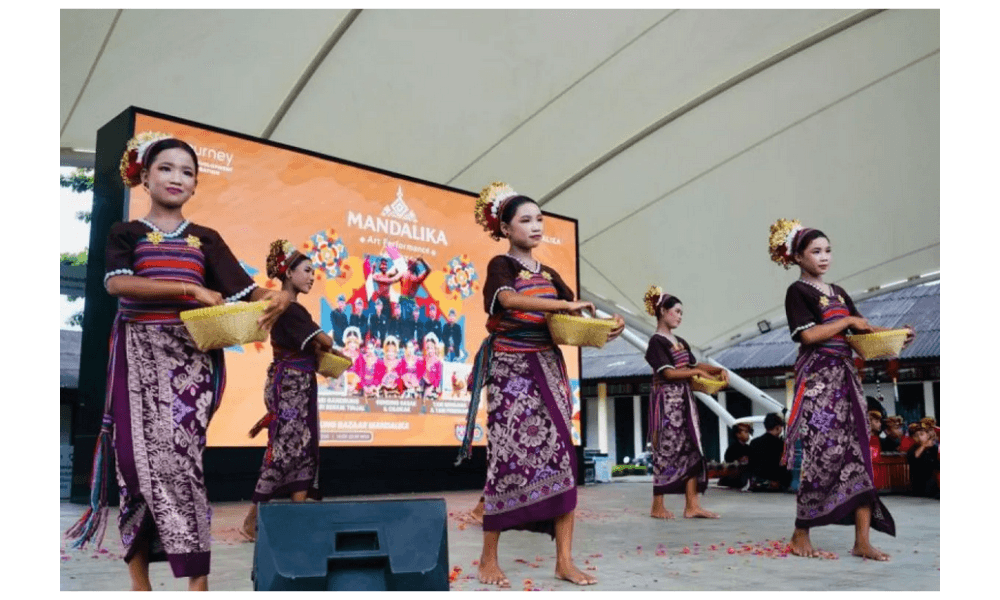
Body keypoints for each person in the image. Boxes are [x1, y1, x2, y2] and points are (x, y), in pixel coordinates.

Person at [65, 134, 293, 591]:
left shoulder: (205, 239)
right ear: (144, 176)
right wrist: (189, 289)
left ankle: (196, 583)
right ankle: (140, 583)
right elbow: (118, 285)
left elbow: (249, 293)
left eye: (187, 172)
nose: (177, 178)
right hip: (136, 359)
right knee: (133, 468)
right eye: (166, 168)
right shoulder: (124, 233)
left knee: (181, 467)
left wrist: (283, 297)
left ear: (195, 186)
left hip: (190, 364)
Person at [458, 182, 625, 587]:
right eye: (525, 220)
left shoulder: (549, 273)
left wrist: (606, 328)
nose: (536, 227)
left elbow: (578, 317)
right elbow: (509, 302)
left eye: (539, 220)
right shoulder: (502, 265)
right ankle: (487, 559)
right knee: (507, 461)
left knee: (563, 461)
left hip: (548, 370)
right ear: (506, 229)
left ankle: (564, 560)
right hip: (511, 372)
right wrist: (565, 304)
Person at [769, 218, 915, 561]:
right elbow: (807, 336)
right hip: (820, 381)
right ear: (797, 257)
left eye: (828, 250)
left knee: (860, 455)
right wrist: (847, 322)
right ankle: (800, 532)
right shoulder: (798, 292)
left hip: (847, 380)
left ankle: (862, 540)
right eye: (816, 251)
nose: (824, 257)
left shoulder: (838, 292)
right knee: (821, 455)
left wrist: (895, 334)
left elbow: (860, 331)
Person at [242, 240, 348, 541]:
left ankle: (298, 518)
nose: (312, 276)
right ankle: (252, 519)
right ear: (288, 273)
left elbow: (315, 343)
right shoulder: (289, 309)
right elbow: (323, 342)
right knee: (285, 449)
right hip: (288, 384)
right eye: (307, 270)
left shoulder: (291, 309)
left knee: (301, 448)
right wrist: (330, 347)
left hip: (297, 383)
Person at [642, 284, 725, 519]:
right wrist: (696, 375)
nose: (679, 316)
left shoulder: (680, 341)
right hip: (666, 401)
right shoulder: (656, 342)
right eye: (676, 311)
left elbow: (692, 365)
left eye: (681, 313)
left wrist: (717, 370)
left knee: (691, 449)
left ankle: (692, 505)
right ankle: (657, 505)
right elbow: (668, 373)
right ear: (662, 312)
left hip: (684, 401)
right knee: (666, 449)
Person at [748, 413, 793, 491]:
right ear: (778, 427)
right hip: (776, 486)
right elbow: (784, 465)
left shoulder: (754, 442)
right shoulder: (781, 445)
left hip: (758, 485)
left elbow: (751, 465)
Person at [906, 422, 939, 498]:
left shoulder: (934, 448)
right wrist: (923, 446)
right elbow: (914, 458)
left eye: (921, 434)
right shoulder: (914, 448)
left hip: (933, 481)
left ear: (928, 435)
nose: (919, 437)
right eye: (917, 436)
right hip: (919, 483)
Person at [718, 423, 753, 489]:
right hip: (736, 479)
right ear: (737, 434)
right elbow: (729, 462)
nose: (748, 434)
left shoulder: (748, 448)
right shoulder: (732, 449)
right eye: (745, 432)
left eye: (748, 432)